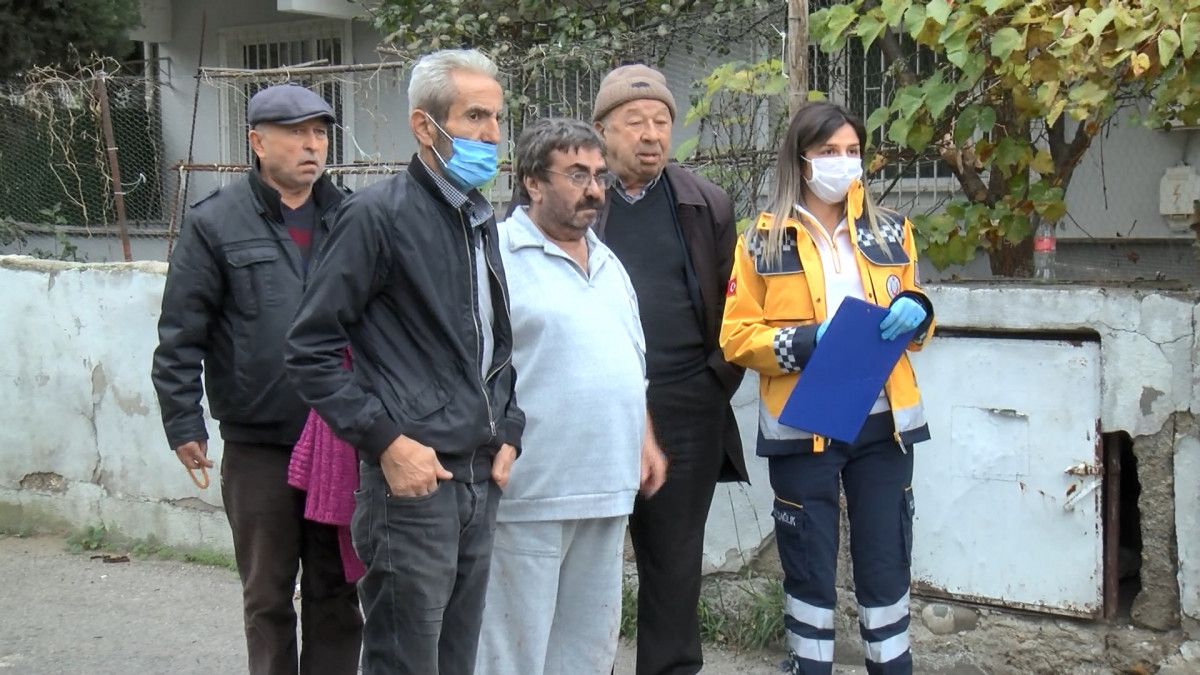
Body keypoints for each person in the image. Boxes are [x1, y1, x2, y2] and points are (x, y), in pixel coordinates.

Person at [283, 49, 523, 675]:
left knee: (454, 661)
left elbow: (493, 346)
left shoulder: (479, 219)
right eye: (474, 117)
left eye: (496, 118)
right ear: (425, 126)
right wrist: (387, 443)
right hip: (410, 485)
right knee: (403, 661)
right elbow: (308, 350)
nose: (492, 135)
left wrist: (510, 430)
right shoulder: (375, 217)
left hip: (477, 477)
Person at [150, 84, 362, 675]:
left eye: (319, 133)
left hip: (339, 438)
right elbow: (181, 331)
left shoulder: (352, 217)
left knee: (337, 590)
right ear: (257, 141)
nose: (311, 145)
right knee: (267, 596)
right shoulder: (215, 223)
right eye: (296, 133)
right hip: (259, 444)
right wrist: (183, 420)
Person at [719, 101, 935, 675]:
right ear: (801, 158)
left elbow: (918, 316)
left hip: (884, 421)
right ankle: (808, 665)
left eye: (853, 151)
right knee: (809, 563)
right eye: (829, 152)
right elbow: (736, 336)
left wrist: (917, 311)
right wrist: (808, 341)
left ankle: (892, 665)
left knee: (886, 558)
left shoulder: (893, 229)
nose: (844, 163)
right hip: (803, 421)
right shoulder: (761, 239)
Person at [475, 117, 669, 675]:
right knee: (513, 655)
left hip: (606, 487)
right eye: (577, 174)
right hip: (531, 494)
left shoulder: (607, 261)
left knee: (586, 654)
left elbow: (631, 363)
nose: (594, 190)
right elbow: (477, 368)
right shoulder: (499, 258)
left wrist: (645, 441)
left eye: (600, 176)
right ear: (533, 182)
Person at [590, 63, 748, 675]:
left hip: (686, 404)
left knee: (676, 563)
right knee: (590, 558)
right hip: (598, 406)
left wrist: (715, 384)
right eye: (635, 123)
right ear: (603, 130)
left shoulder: (704, 203)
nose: (651, 134)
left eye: (661, 121)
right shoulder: (579, 196)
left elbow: (739, 306)